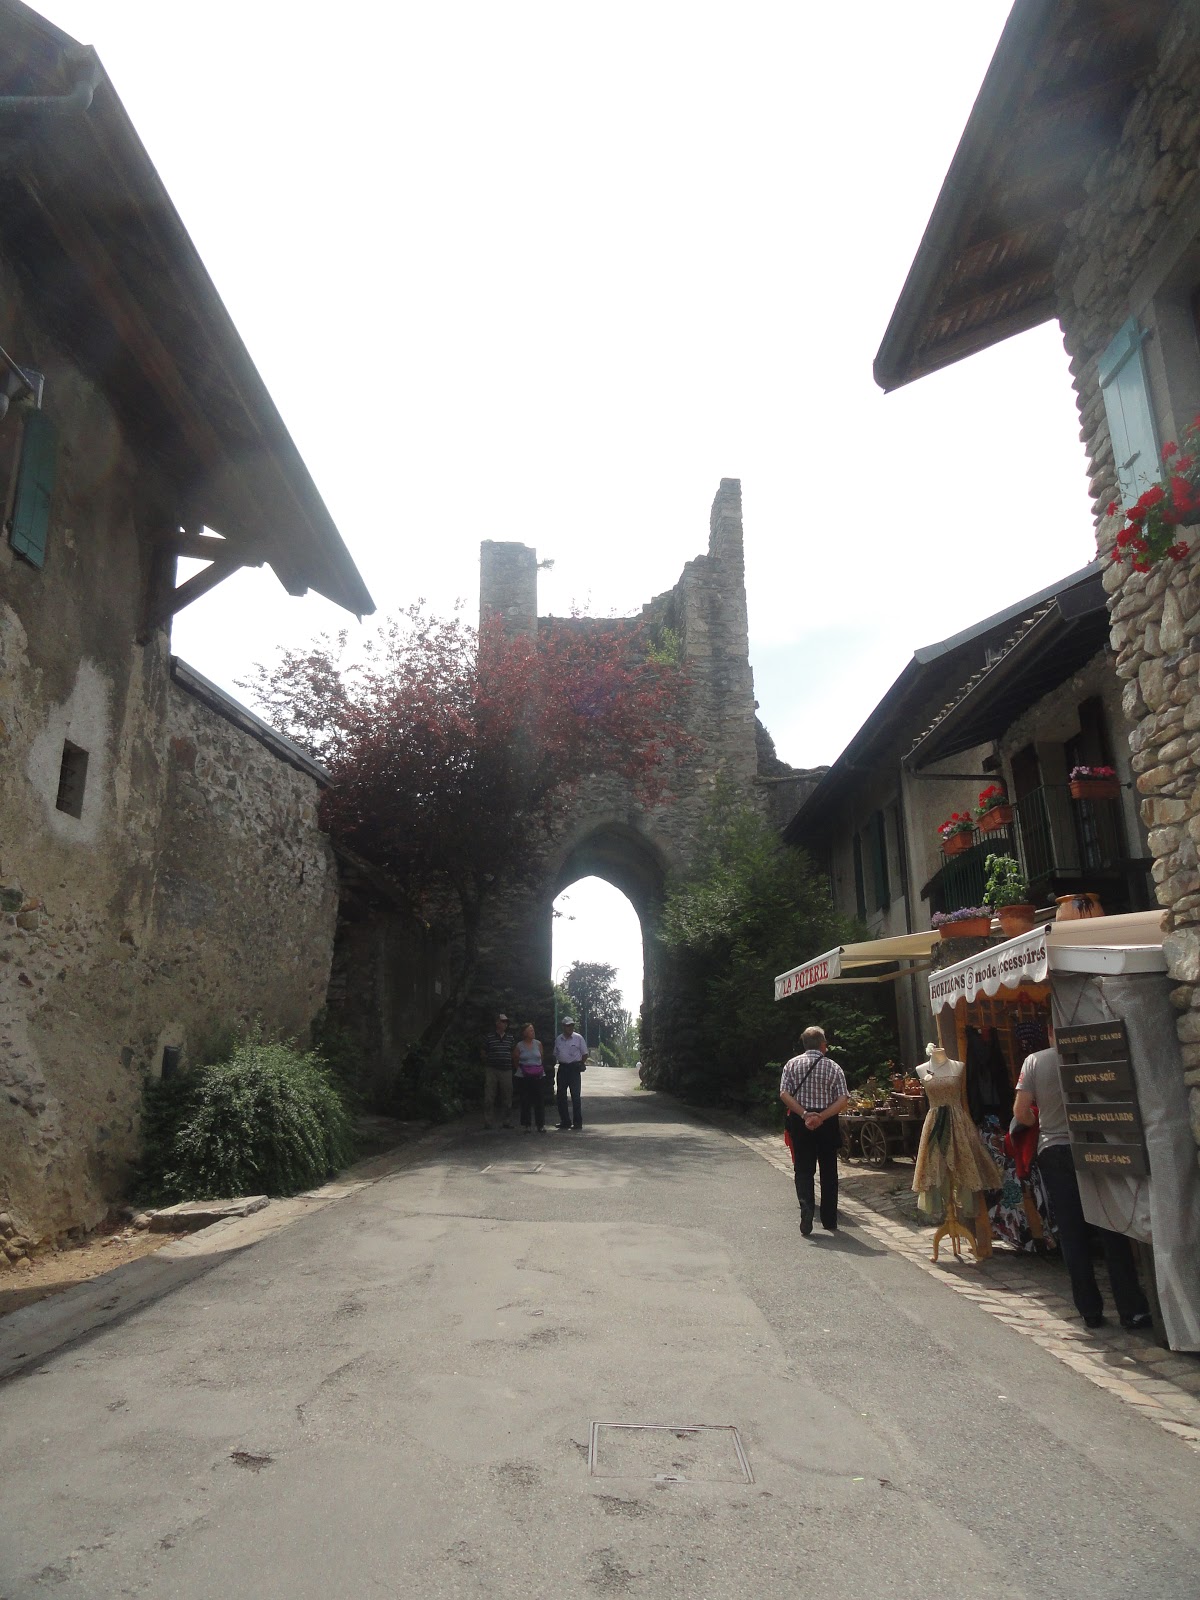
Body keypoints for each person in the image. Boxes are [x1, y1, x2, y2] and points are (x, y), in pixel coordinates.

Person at [1013, 1029, 1152, 1331]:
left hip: (1055, 1150)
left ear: (1049, 1031)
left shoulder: (1034, 1062)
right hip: (1097, 1146)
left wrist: (1040, 1120)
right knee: (1112, 1226)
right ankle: (1132, 1309)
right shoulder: (1091, 1055)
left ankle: (1090, 1310)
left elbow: (1020, 1112)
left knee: (1073, 1233)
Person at [779, 1026, 849, 1234]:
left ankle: (807, 1208)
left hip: (801, 1123)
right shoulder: (834, 1067)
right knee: (829, 1170)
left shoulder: (791, 1065)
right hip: (826, 1123)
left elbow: (784, 1093)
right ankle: (829, 1219)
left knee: (803, 1169)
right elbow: (843, 1098)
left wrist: (804, 1114)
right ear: (822, 1045)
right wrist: (822, 1117)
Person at [553, 1016, 589, 1130]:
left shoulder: (578, 1038)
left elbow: (585, 1053)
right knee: (561, 1096)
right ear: (563, 1026)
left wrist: (580, 1064)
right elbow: (555, 1053)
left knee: (575, 1096)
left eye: (572, 1025)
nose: (570, 1028)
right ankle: (565, 1121)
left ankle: (577, 1122)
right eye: (568, 1025)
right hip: (563, 1068)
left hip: (574, 1068)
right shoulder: (559, 1039)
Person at [480, 1012, 514, 1130]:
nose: (505, 1024)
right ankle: (488, 1121)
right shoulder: (489, 1037)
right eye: (503, 1021)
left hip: (506, 1070)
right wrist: (488, 1062)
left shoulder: (510, 1038)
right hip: (492, 1069)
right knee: (489, 1096)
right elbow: (483, 1052)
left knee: (507, 1096)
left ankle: (507, 1121)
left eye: (506, 1022)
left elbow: (513, 1053)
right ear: (497, 1023)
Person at [513, 1023, 547, 1133]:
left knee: (539, 1100)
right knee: (525, 1100)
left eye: (533, 1029)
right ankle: (526, 1125)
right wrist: (522, 1069)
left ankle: (540, 1125)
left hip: (538, 1075)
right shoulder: (519, 1045)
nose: (533, 1032)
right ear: (525, 1033)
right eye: (530, 1030)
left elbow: (541, 1057)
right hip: (524, 1076)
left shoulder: (538, 1044)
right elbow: (515, 1059)